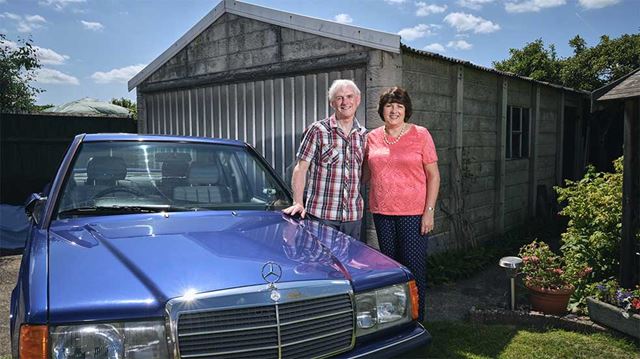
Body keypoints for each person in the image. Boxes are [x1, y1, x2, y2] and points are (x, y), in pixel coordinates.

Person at [364, 86, 440, 321]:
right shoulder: (371, 137)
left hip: (413, 214)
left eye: (399, 106)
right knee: (392, 271)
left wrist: (429, 212)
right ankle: (395, 321)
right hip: (382, 212)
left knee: (413, 270)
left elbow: (434, 176)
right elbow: (364, 175)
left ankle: (417, 321)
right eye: (389, 105)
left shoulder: (420, 134)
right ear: (382, 110)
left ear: (406, 110)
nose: (394, 110)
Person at [282, 79, 366, 241]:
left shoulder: (363, 135)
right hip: (322, 216)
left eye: (349, 96)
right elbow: (301, 168)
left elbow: (363, 173)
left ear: (358, 99)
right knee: (321, 264)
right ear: (332, 103)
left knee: (349, 265)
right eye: (339, 98)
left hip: (353, 217)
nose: (345, 102)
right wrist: (298, 202)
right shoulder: (318, 130)